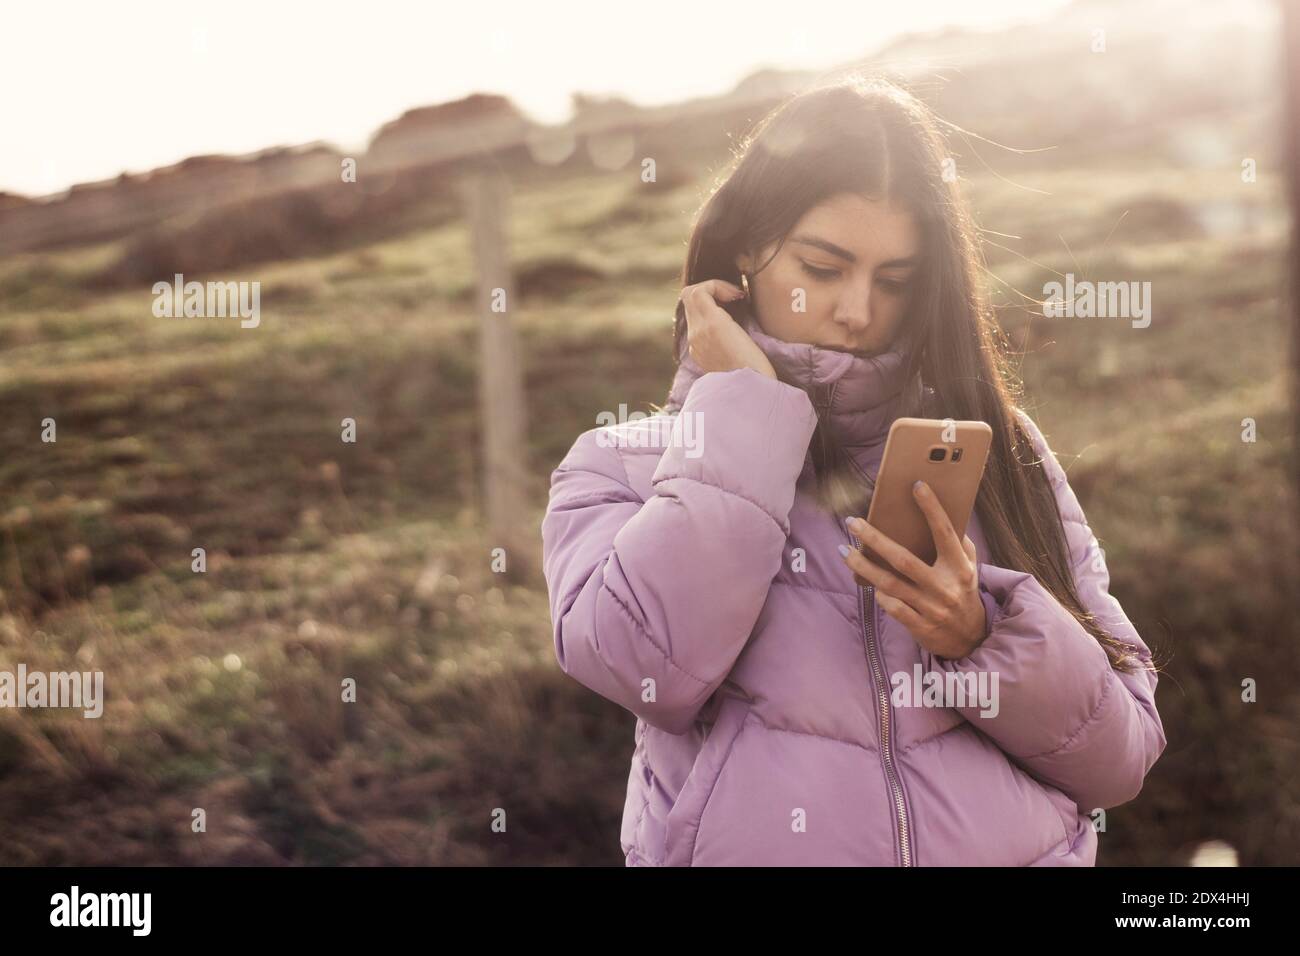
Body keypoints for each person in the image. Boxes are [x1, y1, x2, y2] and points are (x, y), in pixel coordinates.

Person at [540, 77, 1166, 866]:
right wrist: (745, 416)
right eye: (823, 268)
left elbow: (1122, 759)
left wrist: (982, 639)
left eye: (893, 280)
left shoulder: (1004, 454)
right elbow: (644, 669)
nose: (858, 310)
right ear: (745, 246)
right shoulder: (620, 466)